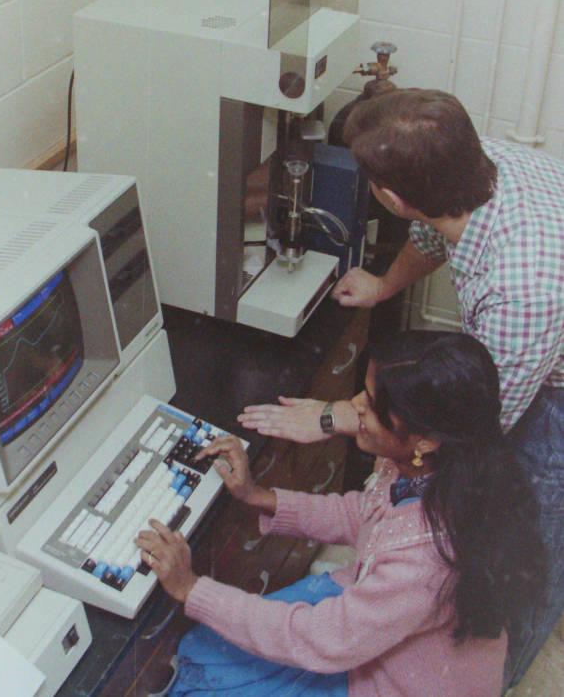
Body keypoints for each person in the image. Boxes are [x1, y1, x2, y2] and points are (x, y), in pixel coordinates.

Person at [237, 88, 564, 686]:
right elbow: (432, 231)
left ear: (389, 197)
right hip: (532, 343)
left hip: (555, 392)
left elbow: (464, 432)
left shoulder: (520, 294)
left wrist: (337, 417)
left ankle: (495, 675)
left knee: (525, 547)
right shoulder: (478, 163)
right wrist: (385, 285)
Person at [136, 331, 545, 697]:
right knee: (208, 651)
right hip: (368, 632)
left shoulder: (425, 560)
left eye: (370, 405)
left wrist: (192, 589)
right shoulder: (438, 468)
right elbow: (363, 515)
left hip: (389, 679)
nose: (353, 407)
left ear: (423, 439)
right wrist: (258, 496)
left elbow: (321, 640)